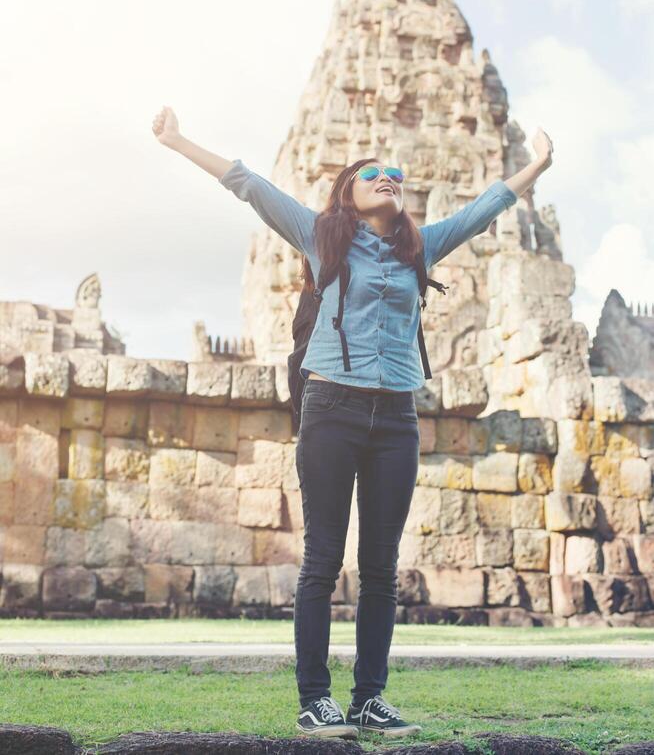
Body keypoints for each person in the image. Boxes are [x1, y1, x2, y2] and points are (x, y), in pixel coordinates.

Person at [152, 106, 554, 739]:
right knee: (321, 558)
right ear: (347, 193)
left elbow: (484, 210)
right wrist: (177, 141)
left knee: (380, 566)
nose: (387, 177)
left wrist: (539, 163)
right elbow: (249, 184)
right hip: (331, 407)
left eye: (393, 172)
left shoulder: (421, 247)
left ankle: (370, 697)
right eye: (371, 174)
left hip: (396, 414)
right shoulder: (322, 235)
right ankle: (315, 699)